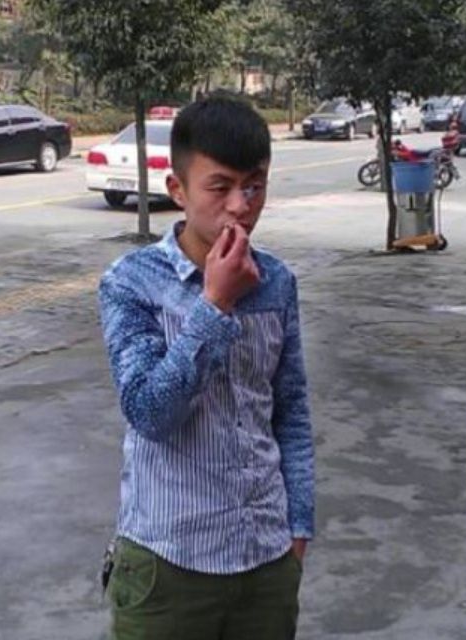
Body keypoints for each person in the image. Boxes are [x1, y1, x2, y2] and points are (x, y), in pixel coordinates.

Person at [98, 96, 314, 640]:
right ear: (178, 190)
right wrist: (215, 304)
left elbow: (290, 411)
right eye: (220, 187)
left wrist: (298, 527)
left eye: (255, 186)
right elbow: (150, 413)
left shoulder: (277, 282)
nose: (240, 206)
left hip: (266, 558)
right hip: (169, 563)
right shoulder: (131, 282)